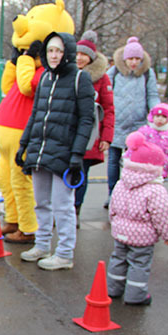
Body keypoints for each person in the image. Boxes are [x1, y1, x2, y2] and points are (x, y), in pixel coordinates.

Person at [16, 32, 95, 271]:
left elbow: (86, 120)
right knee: (41, 202)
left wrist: (77, 154)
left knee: (63, 205)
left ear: (67, 53)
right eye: (50, 50)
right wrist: (24, 144)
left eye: (58, 51)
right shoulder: (45, 79)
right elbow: (36, 115)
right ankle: (42, 244)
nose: (53, 55)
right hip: (41, 150)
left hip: (65, 153)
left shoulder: (80, 79)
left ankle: (64, 253)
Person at [106, 132, 168, 305]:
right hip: (142, 237)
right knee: (139, 264)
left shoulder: (121, 183)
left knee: (118, 259)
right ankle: (135, 296)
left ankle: (113, 289)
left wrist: (114, 223)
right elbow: (162, 215)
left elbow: (113, 206)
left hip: (121, 231)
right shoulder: (155, 189)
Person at [0, 40, 44, 245]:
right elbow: (7, 86)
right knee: (4, 179)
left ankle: (28, 228)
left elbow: (25, 87)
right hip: (6, 138)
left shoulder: (42, 73)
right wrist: (13, 63)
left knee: (21, 183)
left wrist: (25, 60)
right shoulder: (26, 67)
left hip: (22, 135)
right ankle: (13, 219)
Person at [106, 36, 159, 207]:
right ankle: (113, 194)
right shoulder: (114, 72)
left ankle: (133, 194)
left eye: (137, 59)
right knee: (114, 160)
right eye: (131, 59)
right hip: (117, 124)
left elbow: (152, 95)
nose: (134, 62)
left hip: (138, 126)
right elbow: (106, 95)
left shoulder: (147, 74)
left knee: (135, 162)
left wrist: (156, 113)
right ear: (124, 59)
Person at [73, 30, 114, 227]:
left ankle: (75, 210)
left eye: (84, 55)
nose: (79, 58)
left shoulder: (102, 79)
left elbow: (108, 109)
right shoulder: (68, 74)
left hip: (91, 135)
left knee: (81, 174)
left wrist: (106, 137)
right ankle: (62, 210)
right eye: (77, 54)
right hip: (68, 134)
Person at [135, 103, 168, 181]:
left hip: (161, 168)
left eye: (164, 117)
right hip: (144, 167)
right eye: (157, 116)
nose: (160, 119)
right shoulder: (144, 131)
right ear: (152, 117)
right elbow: (135, 147)